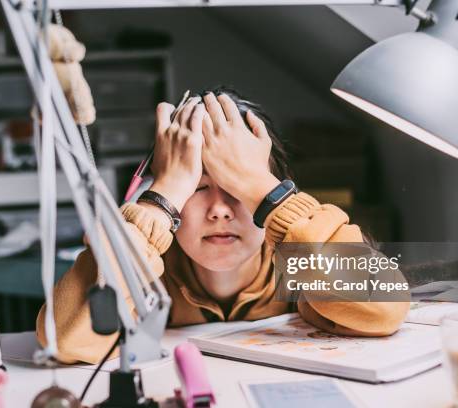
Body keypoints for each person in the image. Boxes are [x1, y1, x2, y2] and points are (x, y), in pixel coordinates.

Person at [36, 85, 409, 364]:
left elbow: (385, 309)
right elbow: (68, 339)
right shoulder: (147, 269)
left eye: (238, 189)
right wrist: (160, 199)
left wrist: (267, 192)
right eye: (196, 188)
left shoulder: (302, 263)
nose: (219, 211)